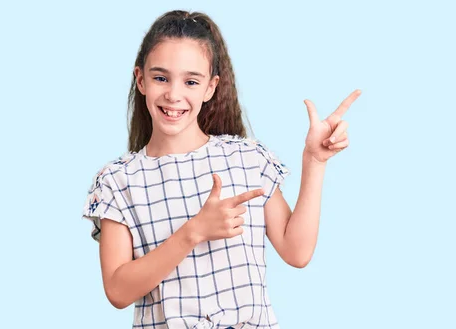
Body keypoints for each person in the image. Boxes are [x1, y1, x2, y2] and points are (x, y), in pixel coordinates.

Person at [81, 9, 361, 329]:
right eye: (161, 77)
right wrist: (193, 232)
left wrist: (314, 162)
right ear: (141, 79)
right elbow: (117, 290)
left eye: (191, 81)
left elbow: (296, 251)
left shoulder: (247, 159)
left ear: (210, 87)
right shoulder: (117, 181)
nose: (174, 94)